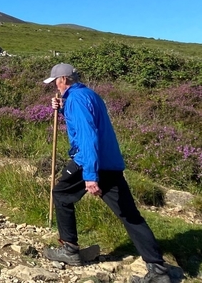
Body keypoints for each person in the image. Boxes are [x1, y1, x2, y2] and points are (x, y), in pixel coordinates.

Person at [43, 63, 169, 283]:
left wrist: (90, 175)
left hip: (90, 162)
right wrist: (62, 108)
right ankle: (158, 270)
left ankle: (70, 249)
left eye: (55, 80)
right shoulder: (88, 94)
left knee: (61, 194)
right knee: (130, 215)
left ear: (62, 79)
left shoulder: (76, 99)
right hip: (109, 161)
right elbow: (89, 121)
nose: (54, 84)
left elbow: (87, 137)